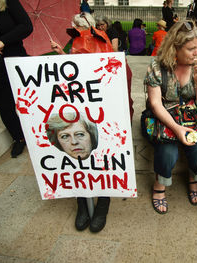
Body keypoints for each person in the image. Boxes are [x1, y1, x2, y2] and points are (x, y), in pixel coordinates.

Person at [50, 12, 111, 233]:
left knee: (104, 156)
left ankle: (103, 202)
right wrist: (61, 55)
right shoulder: (77, 39)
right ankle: (82, 203)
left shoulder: (99, 39)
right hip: (78, 105)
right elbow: (71, 71)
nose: (72, 26)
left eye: (75, 24)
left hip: (99, 108)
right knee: (75, 158)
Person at [144, 20, 197, 214]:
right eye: (191, 48)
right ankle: (159, 185)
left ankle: (194, 177)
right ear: (175, 47)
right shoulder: (157, 66)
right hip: (164, 118)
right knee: (168, 153)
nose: (196, 52)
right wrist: (177, 128)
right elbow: (156, 104)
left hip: (191, 117)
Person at [0, 0, 32, 158]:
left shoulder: (7, 2)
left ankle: (37, 134)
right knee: (4, 105)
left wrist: (2, 41)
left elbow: (26, 26)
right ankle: (18, 138)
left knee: (28, 101)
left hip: (14, 60)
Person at [95, 16, 134, 121]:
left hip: (113, 63)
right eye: (98, 25)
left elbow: (114, 49)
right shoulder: (95, 33)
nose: (100, 27)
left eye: (102, 25)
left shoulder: (112, 32)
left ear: (107, 24)